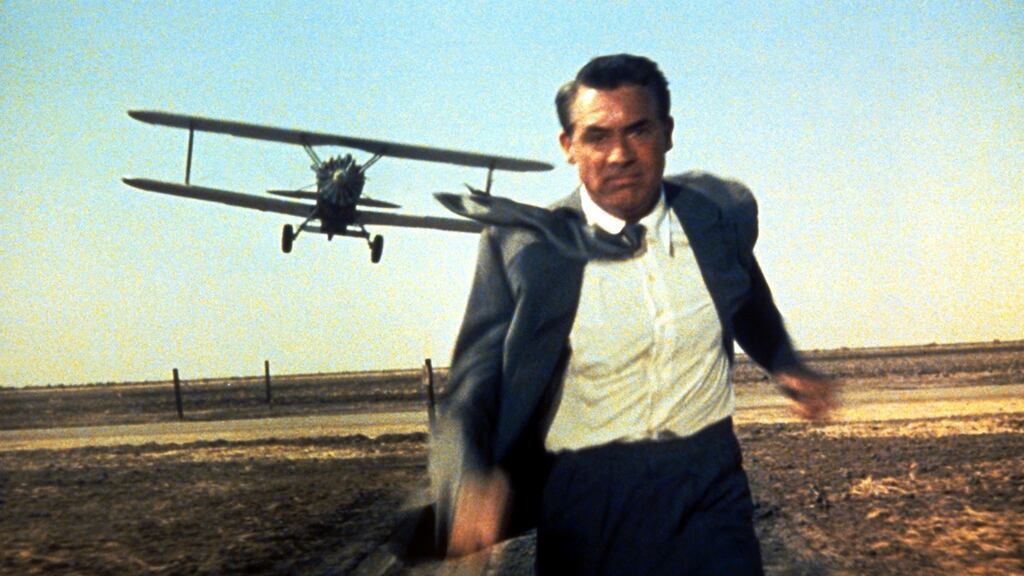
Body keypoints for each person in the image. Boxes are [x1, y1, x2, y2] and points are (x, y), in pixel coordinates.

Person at [429, 53, 836, 575]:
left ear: (668, 133)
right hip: (585, 498)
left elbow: (745, 293)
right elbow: (474, 381)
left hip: (709, 484)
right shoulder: (525, 248)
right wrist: (467, 478)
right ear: (568, 146)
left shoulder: (718, 214)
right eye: (597, 136)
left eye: (638, 131)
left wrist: (784, 362)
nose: (619, 154)